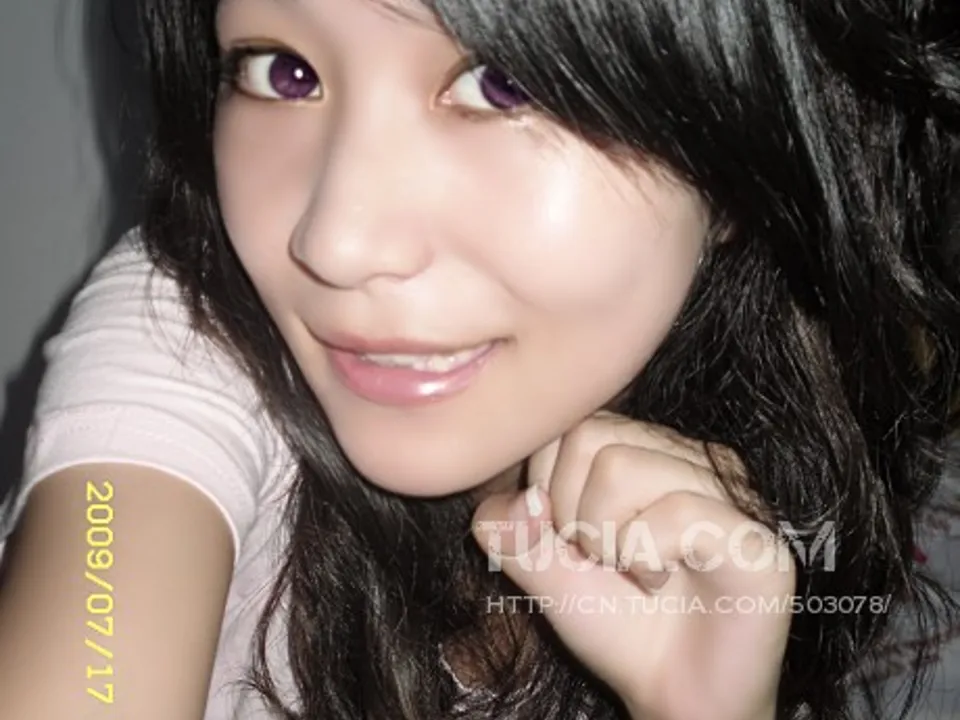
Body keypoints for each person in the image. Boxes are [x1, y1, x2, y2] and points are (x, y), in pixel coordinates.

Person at [0, 0, 958, 717]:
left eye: (502, 84)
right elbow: (95, 650)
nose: (336, 242)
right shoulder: (186, 328)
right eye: (281, 73)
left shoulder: (763, 508)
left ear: (737, 149)